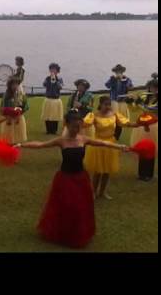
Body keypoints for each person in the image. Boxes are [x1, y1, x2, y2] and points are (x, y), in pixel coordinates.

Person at [14, 111, 130, 248]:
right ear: (67, 125)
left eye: (79, 127)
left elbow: (102, 143)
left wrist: (120, 146)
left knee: (80, 207)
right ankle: (62, 232)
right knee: (65, 206)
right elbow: (40, 145)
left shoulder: (83, 139)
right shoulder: (61, 141)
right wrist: (21, 145)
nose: (76, 130)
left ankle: (78, 232)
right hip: (65, 179)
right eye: (74, 126)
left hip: (81, 178)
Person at [83, 96, 141, 199]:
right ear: (100, 105)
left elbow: (126, 123)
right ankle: (93, 192)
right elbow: (84, 124)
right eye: (105, 104)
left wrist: (139, 124)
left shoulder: (114, 115)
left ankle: (102, 192)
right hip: (98, 144)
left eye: (109, 104)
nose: (108, 107)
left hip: (111, 144)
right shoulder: (94, 115)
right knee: (98, 171)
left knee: (107, 171)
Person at [130, 73, 158, 181]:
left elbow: (149, 109)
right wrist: (131, 102)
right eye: (151, 87)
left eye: (155, 88)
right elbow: (134, 109)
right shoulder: (145, 97)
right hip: (142, 126)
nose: (153, 90)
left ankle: (149, 175)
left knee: (150, 150)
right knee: (142, 149)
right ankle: (141, 173)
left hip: (154, 126)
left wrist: (139, 102)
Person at [105, 64, 134, 140]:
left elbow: (130, 87)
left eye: (120, 71)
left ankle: (116, 137)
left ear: (122, 71)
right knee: (112, 119)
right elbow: (107, 85)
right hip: (113, 101)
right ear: (115, 72)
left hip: (122, 102)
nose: (118, 72)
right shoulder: (112, 78)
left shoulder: (127, 79)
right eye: (117, 71)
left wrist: (124, 81)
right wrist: (113, 79)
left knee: (120, 121)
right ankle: (111, 135)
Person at [0, 77, 28, 145]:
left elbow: (26, 106)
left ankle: (16, 145)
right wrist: (7, 114)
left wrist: (19, 112)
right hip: (8, 118)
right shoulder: (6, 95)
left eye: (17, 84)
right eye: (13, 84)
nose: (15, 86)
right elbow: (3, 107)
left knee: (18, 136)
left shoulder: (21, 95)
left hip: (18, 118)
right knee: (8, 137)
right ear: (10, 85)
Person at [41, 63, 64, 134]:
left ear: (57, 71)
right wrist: (49, 79)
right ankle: (48, 130)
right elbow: (44, 84)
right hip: (48, 99)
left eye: (54, 69)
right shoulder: (47, 78)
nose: (53, 71)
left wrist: (56, 80)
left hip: (56, 100)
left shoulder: (60, 79)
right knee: (47, 115)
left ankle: (54, 130)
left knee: (55, 116)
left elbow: (60, 87)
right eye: (51, 69)